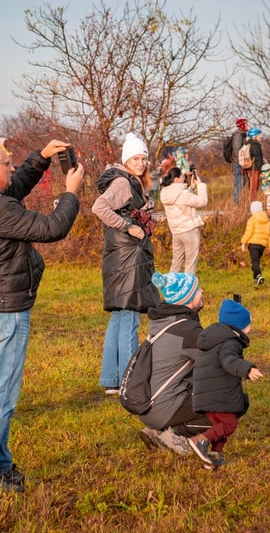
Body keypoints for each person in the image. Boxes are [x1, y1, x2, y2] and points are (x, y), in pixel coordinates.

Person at [0, 139, 84, 494]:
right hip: (6, 311)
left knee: (2, 389)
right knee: (2, 394)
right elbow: (52, 228)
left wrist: (41, 157)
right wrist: (71, 193)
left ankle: (0, 463)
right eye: (8, 164)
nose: (12, 167)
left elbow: (16, 187)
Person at [92, 133, 160, 395]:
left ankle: (112, 379)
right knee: (129, 319)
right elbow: (99, 207)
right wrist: (128, 226)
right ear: (126, 160)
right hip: (127, 258)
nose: (140, 163)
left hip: (121, 257)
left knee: (119, 319)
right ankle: (129, 380)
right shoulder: (122, 181)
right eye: (135, 159)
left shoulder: (130, 181)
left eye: (143, 158)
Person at [137, 271, 211, 455]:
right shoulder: (186, 330)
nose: (202, 291)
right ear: (186, 298)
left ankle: (157, 429)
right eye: (197, 289)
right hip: (162, 407)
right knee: (229, 398)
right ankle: (175, 435)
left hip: (147, 404)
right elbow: (215, 362)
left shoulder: (164, 322)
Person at [188, 298, 263, 470]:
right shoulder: (230, 343)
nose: (250, 329)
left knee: (222, 425)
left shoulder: (216, 340)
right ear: (238, 326)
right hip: (218, 395)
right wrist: (248, 369)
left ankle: (214, 455)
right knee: (229, 424)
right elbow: (230, 361)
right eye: (248, 325)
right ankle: (200, 441)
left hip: (209, 394)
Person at [159, 167, 208, 274]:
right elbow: (202, 201)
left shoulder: (165, 192)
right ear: (176, 179)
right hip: (189, 231)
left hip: (176, 233)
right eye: (182, 176)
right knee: (190, 264)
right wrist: (200, 185)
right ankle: (189, 284)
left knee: (176, 262)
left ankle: (171, 283)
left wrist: (191, 188)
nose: (185, 178)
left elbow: (180, 199)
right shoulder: (183, 194)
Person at [240, 201, 270, 286]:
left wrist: (243, 242)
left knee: (254, 262)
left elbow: (248, 233)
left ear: (252, 210)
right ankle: (256, 278)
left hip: (253, 244)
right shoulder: (268, 221)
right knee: (256, 262)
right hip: (262, 246)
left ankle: (259, 275)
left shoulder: (252, 220)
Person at [228, 119, 248, 205]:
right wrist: (241, 162)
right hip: (238, 163)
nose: (247, 125)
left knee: (243, 182)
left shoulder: (243, 135)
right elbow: (237, 150)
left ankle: (240, 202)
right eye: (246, 124)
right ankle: (236, 203)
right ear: (242, 125)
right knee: (239, 183)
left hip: (241, 163)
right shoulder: (238, 135)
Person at [246, 128, 264, 201]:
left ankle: (252, 202)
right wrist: (261, 169)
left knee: (254, 187)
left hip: (253, 168)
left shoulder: (251, 144)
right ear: (254, 136)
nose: (261, 136)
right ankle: (252, 203)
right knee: (254, 187)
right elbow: (257, 158)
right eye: (259, 135)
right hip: (254, 169)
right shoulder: (254, 145)